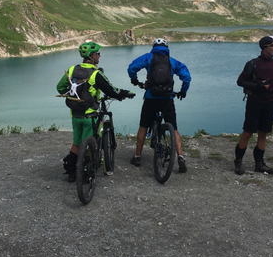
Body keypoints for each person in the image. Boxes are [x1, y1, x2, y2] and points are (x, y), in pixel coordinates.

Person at [57, 41, 135, 182]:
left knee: (77, 143)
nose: (99, 56)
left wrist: (73, 91)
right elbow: (111, 90)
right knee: (90, 141)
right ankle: (86, 172)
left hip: (75, 114)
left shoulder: (72, 69)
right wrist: (125, 93)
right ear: (92, 56)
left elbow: (60, 88)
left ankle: (71, 171)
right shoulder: (95, 74)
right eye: (98, 53)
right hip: (89, 115)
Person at [127, 38, 191, 172]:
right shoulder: (172, 61)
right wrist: (183, 91)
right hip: (167, 98)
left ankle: (137, 156)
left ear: (154, 47)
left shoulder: (148, 58)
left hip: (151, 97)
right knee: (174, 128)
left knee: (143, 126)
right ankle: (180, 157)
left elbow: (132, 67)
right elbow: (186, 77)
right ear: (167, 48)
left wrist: (134, 80)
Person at [234, 36, 273, 175]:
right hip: (254, 103)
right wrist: (257, 86)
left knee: (263, 133)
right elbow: (240, 81)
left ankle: (259, 164)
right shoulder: (252, 64)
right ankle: (238, 162)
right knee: (248, 133)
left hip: (270, 103)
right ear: (265, 47)